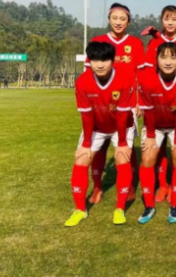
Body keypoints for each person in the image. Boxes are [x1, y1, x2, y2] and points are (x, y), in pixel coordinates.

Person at [65, 42, 135, 227]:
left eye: (105, 60)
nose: (100, 64)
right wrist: (86, 144)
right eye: (95, 60)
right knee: (81, 159)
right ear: (89, 61)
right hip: (96, 127)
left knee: (122, 157)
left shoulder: (124, 79)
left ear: (112, 61)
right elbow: (86, 116)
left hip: (122, 126)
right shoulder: (82, 82)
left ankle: (119, 209)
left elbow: (122, 115)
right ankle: (80, 210)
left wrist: (122, 142)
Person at [84, 3, 145, 205]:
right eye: (115, 18)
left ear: (129, 22)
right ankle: (97, 187)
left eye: (122, 19)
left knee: (127, 146)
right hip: (101, 104)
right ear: (109, 19)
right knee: (99, 146)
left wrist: (139, 102)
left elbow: (141, 75)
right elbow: (89, 74)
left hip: (127, 103)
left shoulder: (135, 44)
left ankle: (129, 186)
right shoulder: (98, 41)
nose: (118, 22)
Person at [142, 5, 176, 204]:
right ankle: (162, 185)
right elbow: (149, 72)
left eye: (174, 19)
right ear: (162, 21)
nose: (170, 22)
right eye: (167, 19)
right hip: (158, 103)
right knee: (156, 151)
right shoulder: (155, 43)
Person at [136, 42, 176, 224]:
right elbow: (148, 111)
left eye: (172, 57)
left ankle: (175, 205)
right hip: (155, 125)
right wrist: (150, 136)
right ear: (156, 60)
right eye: (163, 57)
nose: (168, 62)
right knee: (147, 157)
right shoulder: (147, 79)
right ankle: (149, 206)